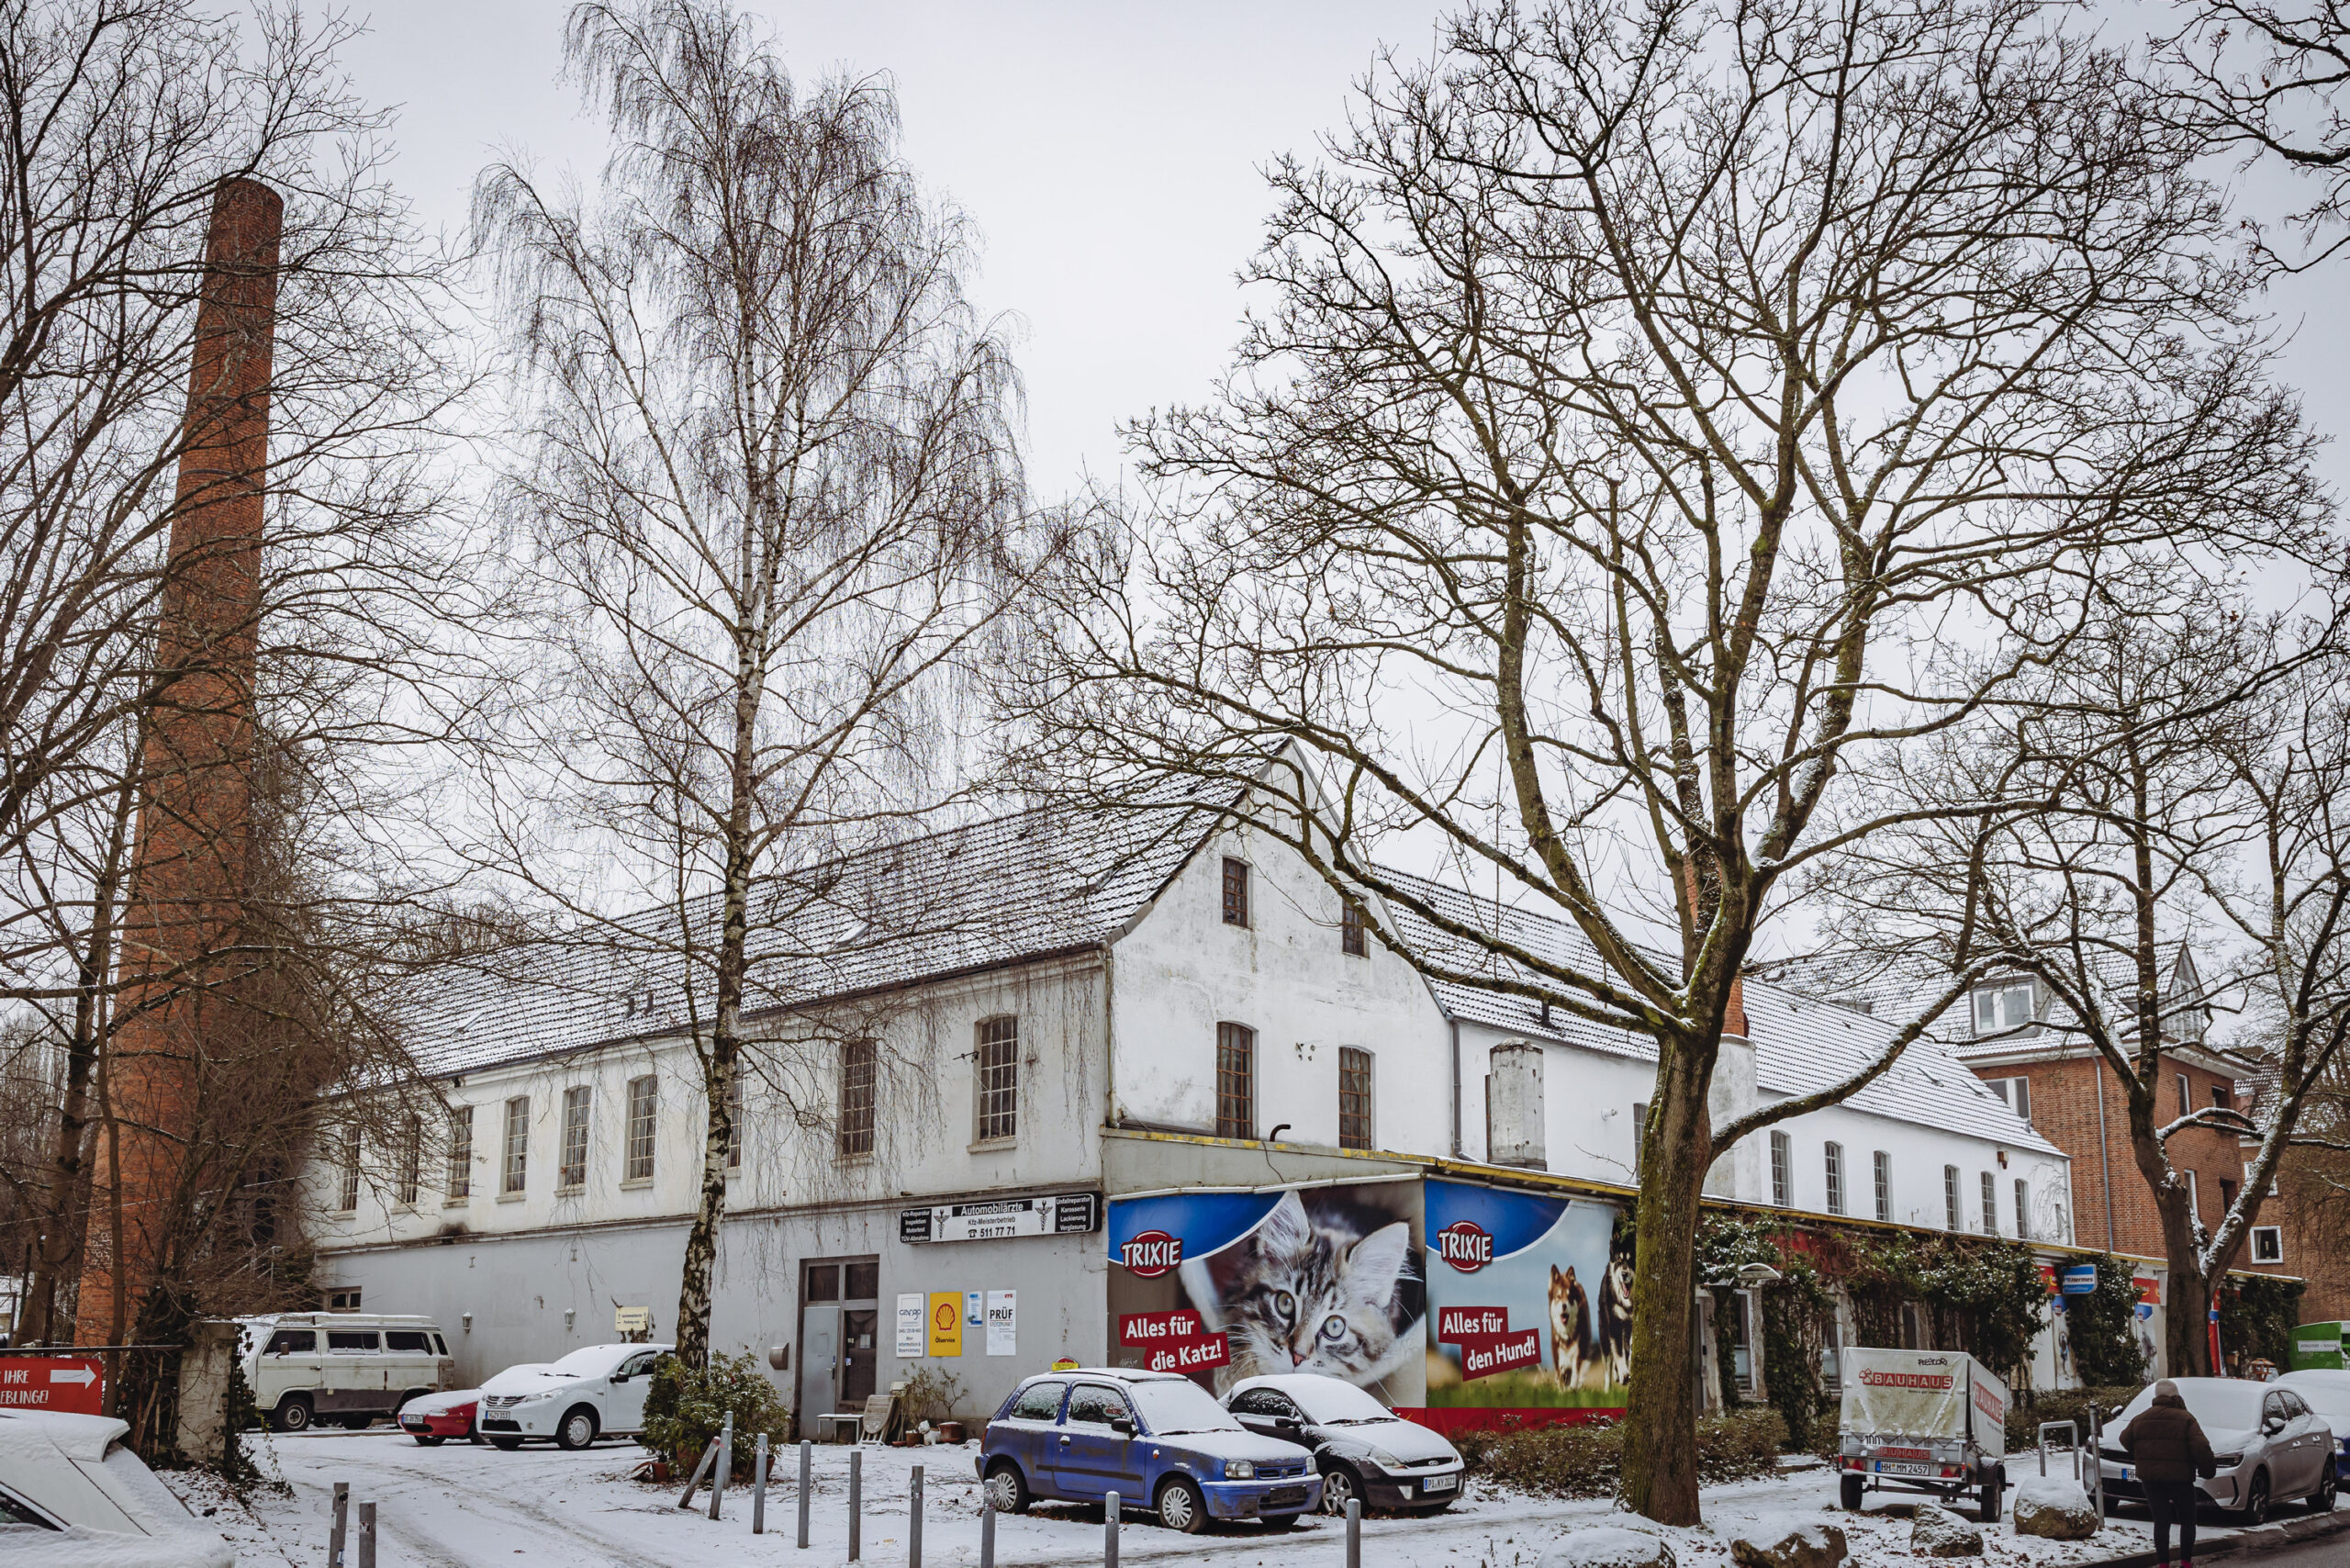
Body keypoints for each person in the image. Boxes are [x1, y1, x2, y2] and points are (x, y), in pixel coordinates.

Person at [2121, 1380, 2218, 1568]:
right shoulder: (2186, 1419)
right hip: (2180, 1480)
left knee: (2161, 1521)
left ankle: (2163, 1564)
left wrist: (2142, 1455)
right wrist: (2207, 1470)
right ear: (2176, 1397)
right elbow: (2201, 1447)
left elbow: (2125, 1439)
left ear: (2156, 1398)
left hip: (2151, 1480)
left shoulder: (2140, 1419)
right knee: (2188, 1520)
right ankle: (2185, 1563)